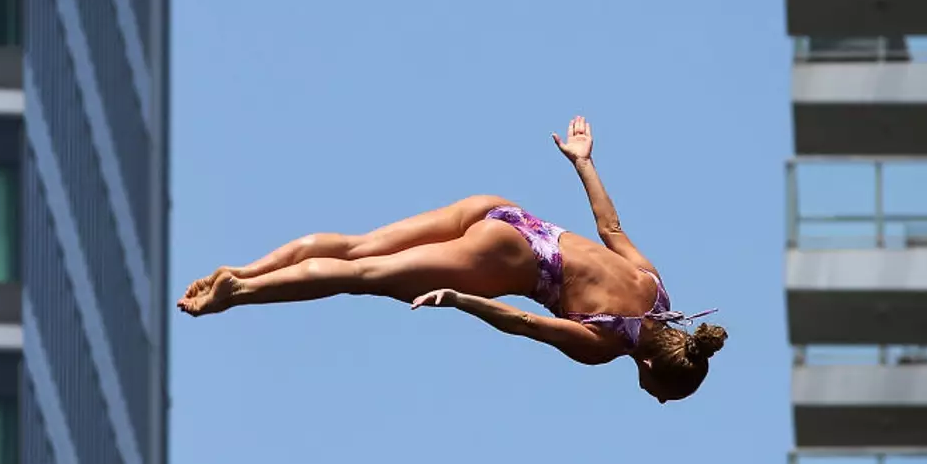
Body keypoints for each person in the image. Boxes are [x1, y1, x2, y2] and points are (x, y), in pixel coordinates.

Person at [178, 116, 726, 403]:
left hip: (511, 215)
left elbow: (610, 227)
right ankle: (240, 293)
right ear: (654, 369)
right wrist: (462, 300)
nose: (654, 401)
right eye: (663, 396)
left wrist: (583, 162)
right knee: (360, 276)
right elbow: (523, 322)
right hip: (507, 258)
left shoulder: (656, 287)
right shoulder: (608, 345)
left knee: (355, 247)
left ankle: (244, 271)